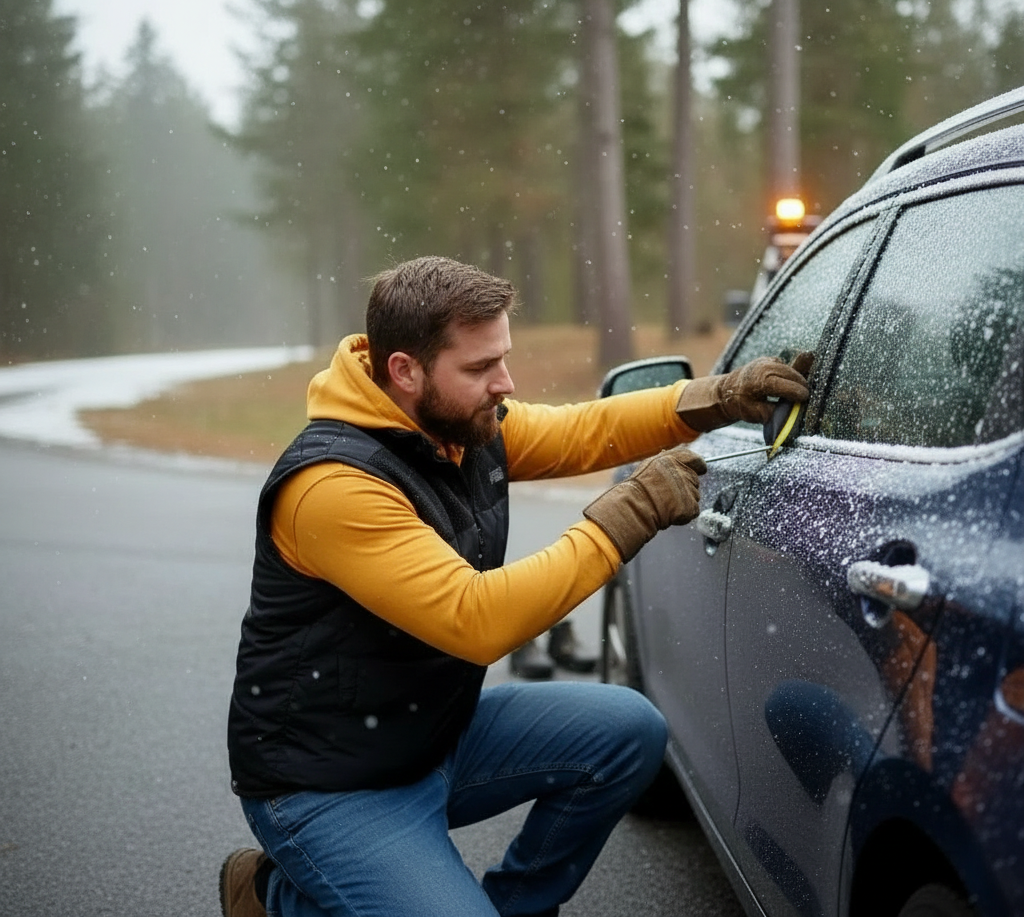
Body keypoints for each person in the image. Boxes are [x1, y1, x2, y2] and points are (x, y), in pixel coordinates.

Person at [220, 256, 811, 917]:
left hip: (435, 736)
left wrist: (719, 395)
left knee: (628, 730)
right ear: (404, 371)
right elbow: (478, 621)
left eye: (502, 357)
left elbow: (589, 429)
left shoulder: (458, 428)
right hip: (330, 784)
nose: (504, 383)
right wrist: (630, 515)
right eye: (479, 368)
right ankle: (272, 896)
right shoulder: (332, 487)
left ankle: (517, 907)